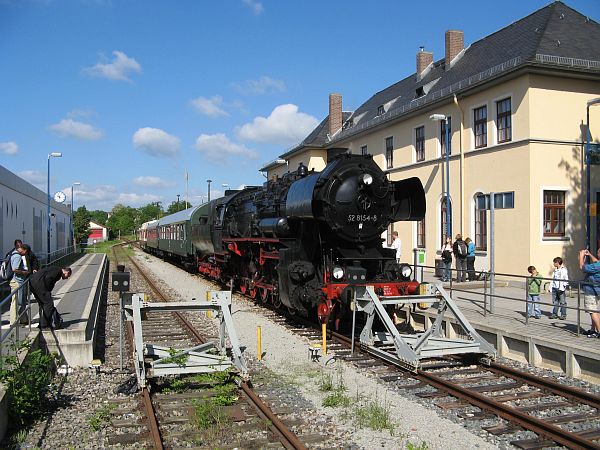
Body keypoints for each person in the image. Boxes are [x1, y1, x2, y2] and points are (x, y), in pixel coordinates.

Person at [579, 248, 600, 338]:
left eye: (598, 252)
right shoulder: (598, 264)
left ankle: (599, 332)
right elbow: (596, 261)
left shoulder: (597, 266)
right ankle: (593, 330)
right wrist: (589, 254)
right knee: (594, 310)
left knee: (592, 311)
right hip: (597, 290)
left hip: (591, 290)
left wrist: (581, 256)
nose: (597, 253)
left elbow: (582, 267)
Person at [9, 244, 31, 326]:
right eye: (26, 253)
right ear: (24, 250)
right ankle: (14, 322)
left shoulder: (13, 253)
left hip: (16, 281)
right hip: (17, 281)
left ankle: (23, 319)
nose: (25, 254)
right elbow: (15, 269)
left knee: (20, 301)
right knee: (17, 302)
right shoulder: (17, 256)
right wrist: (25, 272)